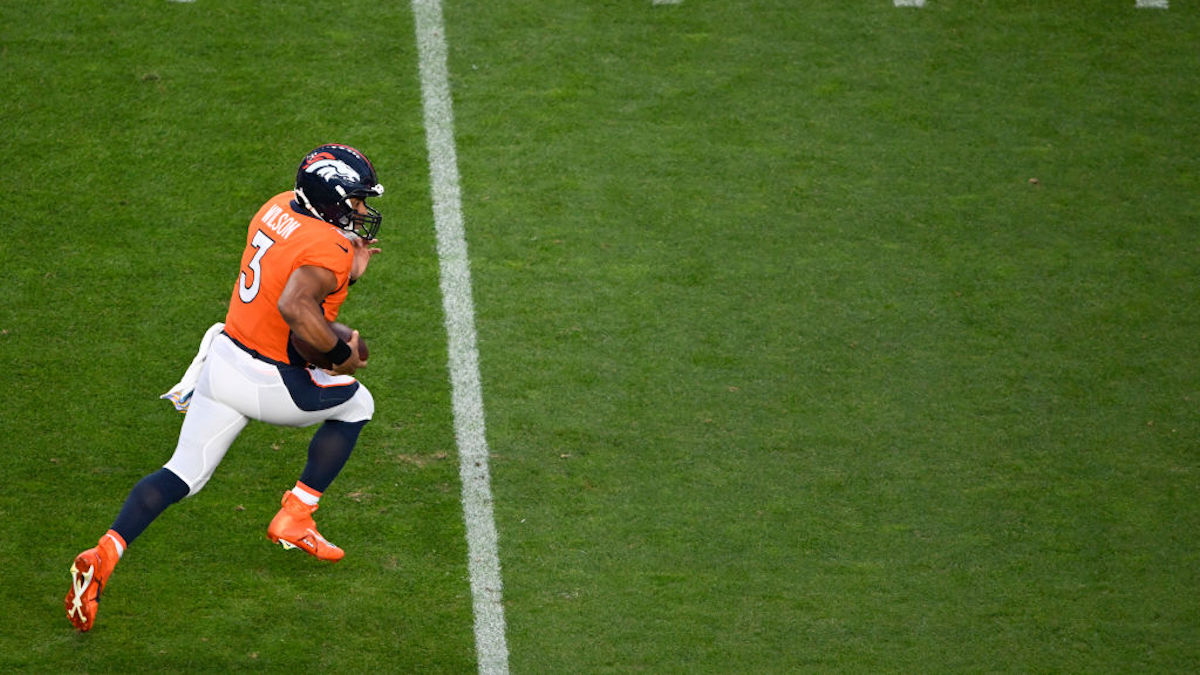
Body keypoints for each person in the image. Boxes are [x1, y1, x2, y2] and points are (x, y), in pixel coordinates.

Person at [65, 144, 385, 632]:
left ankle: (104, 552)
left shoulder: (278, 205)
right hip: (269, 379)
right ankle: (296, 516)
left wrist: (347, 272)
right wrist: (342, 355)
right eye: (356, 200)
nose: (361, 211)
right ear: (331, 197)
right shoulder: (331, 246)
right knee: (358, 404)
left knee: (182, 473)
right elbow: (298, 308)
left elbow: (292, 271)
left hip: (223, 360)